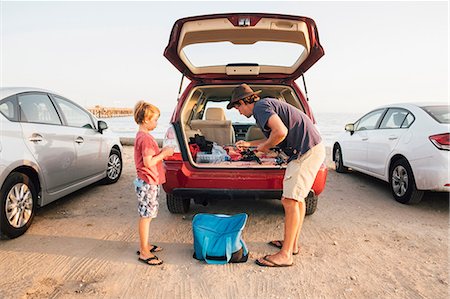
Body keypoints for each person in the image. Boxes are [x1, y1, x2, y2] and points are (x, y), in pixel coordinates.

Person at [227, 83, 325, 267]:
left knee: (290, 200)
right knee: (298, 199)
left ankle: (286, 254)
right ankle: (292, 245)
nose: (238, 112)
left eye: (237, 107)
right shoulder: (266, 105)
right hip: (311, 149)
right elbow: (274, 135)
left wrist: (263, 149)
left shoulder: (261, 108)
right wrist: (250, 144)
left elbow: (280, 132)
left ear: (244, 101)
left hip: (305, 152)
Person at [133, 101, 174, 266]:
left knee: (147, 215)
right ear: (145, 120)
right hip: (148, 182)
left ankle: (145, 245)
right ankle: (144, 252)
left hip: (146, 181)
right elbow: (148, 162)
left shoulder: (140, 135)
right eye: (155, 120)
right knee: (146, 216)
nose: (156, 123)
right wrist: (165, 154)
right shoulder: (146, 139)